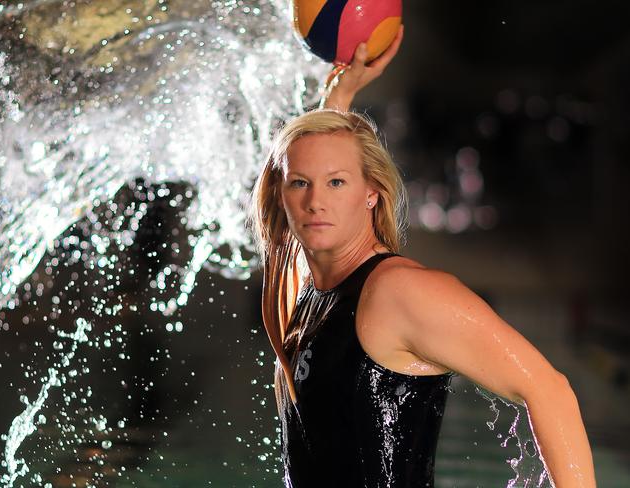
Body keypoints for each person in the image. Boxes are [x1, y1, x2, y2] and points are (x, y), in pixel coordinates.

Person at [249, 26, 596, 488]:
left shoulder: (398, 292)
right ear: (282, 195)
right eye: (300, 184)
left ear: (371, 194)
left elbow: (550, 390)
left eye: (337, 183)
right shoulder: (312, 294)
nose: (316, 202)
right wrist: (339, 99)